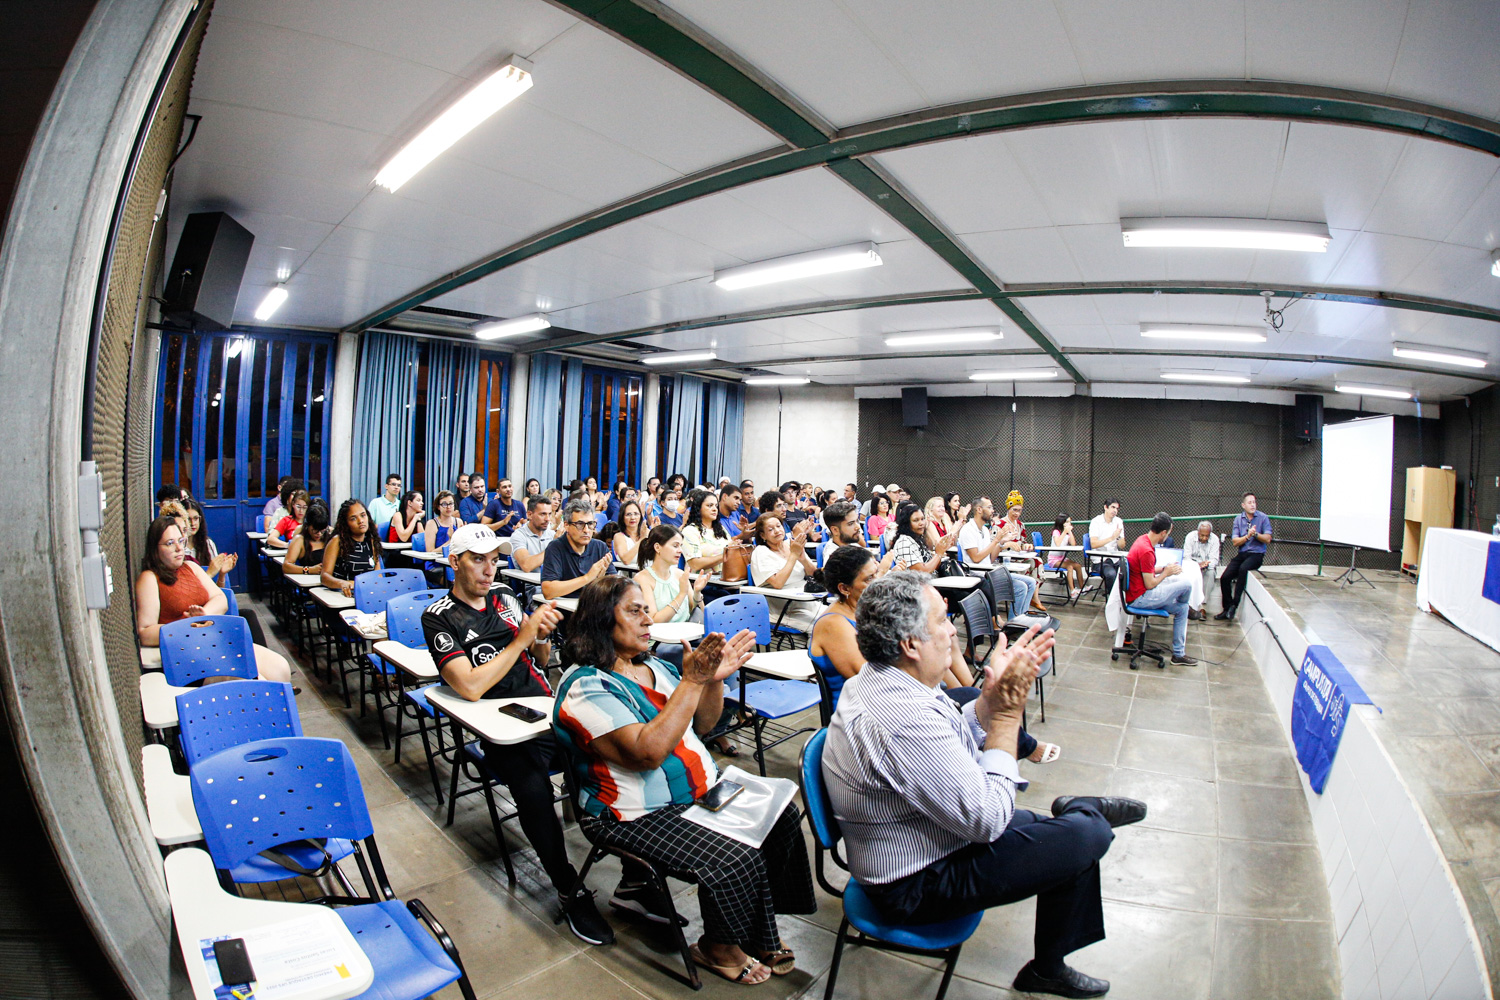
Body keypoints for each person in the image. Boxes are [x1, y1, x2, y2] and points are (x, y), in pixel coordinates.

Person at [823, 572, 1137, 998]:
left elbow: (946, 739)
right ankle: (1082, 813)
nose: (953, 629)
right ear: (910, 644)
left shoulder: (881, 679)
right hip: (916, 883)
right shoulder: (902, 720)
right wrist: (1007, 717)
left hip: (933, 838)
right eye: (942, 620)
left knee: (1068, 838)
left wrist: (988, 703)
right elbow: (987, 820)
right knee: (1089, 835)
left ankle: (1075, 820)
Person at [552, 575, 815, 982]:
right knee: (736, 853)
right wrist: (692, 681)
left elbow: (705, 725)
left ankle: (757, 930)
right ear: (603, 621)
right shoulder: (586, 685)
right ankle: (718, 947)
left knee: (781, 820)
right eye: (634, 611)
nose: (648, 618)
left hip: (698, 789)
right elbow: (645, 753)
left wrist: (712, 681)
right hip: (635, 811)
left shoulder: (655, 665)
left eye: (646, 609)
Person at [418, 524, 611, 942]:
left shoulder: (505, 597)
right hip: (497, 726)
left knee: (611, 749)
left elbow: (538, 656)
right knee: (532, 786)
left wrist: (539, 639)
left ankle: (634, 873)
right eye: (478, 560)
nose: (489, 570)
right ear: (455, 562)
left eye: (494, 560)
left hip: (541, 709)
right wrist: (522, 639)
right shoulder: (438, 617)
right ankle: (567, 886)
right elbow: (468, 686)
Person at [811, 549, 1058, 749]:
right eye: (869, 579)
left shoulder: (865, 609)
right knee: (969, 698)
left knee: (952, 657)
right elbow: (876, 676)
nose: (878, 582)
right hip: (874, 713)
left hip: (901, 695)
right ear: (844, 588)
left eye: (878, 573)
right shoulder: (834, 624)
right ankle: (1015, 742)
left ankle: (993, 723)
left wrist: (936, 630)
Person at [134, 516, 291, 683]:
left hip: (215, 641)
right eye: (170, 543)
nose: (179, 548)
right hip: (188, 655)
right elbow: (145, 632)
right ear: (155, 549)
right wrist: (187, 627)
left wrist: (205, 613)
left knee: (280, 670)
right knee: (256, 681)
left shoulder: (191, 567)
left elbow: (220, 598)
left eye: (181, 540)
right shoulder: (149, 578)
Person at [1125, 513, 1198, 665]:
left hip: (1140, 593)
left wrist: (1164, 568)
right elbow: (1150, 584)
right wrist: (1166, 573)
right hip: (1141, 598)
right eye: (1169, 532)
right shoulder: (1147, 551)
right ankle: (1186, 604)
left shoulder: (1142, 540)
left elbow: (1147, 570)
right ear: (1163, 532)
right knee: (1186, 585)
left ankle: (1178, 654)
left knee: (1182, 609)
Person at [959, 498, 1039, 621]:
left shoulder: (984, 530)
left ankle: (1021, 621)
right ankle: (1014, 624)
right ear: (979, 509)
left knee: (1031, 582)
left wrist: (1001, 543)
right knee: (1020, 588)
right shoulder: (968, 529)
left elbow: (990, 558)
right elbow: (975, 558)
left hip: (989, 571)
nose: (993, 510)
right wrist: (996, 540)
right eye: (989, 507)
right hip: (977, 575)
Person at [749, 513, 820, 632]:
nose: (777, 531)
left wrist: (802, 558)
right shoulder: (761, 552)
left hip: (807, 602)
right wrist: (794, 555)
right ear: (763, 535)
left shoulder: (791, 545)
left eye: (779, 526)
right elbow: (778, 583)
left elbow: (814, 575)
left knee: (840, 619)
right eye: (771, 529)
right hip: (783, 607)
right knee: (820, 626)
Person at [541, 498, 616, 600]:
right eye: (580, 524)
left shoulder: (600, 547)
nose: (586, 530)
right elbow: (548, 591)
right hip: (565, 609)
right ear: (566, 525)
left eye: (590, 524)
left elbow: (615, 586)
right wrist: (587, 578)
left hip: (594, 605)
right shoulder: (555, 547)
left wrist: (599, 582)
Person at [635, 525, 709, 624]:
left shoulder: (680, 575)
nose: (680, 550)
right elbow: (653, 620)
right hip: (661, 638)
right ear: (657, 547)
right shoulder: (642, 579)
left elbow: (698, 613)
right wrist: (682, 594)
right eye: (675, 546)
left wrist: (697, 592)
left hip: (687, 635)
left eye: (680, 546)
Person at [1216, 493, 1272, 621]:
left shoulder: (1263, 518)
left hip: (1256, 554)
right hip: (1242, 554)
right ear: (1243, 505)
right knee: (1225, 577)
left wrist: (1256, 534)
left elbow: (1268, 539)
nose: (1253, 505)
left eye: (1254, 502)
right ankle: (1227, 608)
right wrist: (1247, 536)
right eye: (1249, 502)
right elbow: (1235, 541)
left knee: (1243, 569)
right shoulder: (1238, 519)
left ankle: (1235, 605)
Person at [320, 499, 383, 598]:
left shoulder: (371, 541)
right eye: (353, 518)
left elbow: (377, 575)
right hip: (341, 596)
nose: (360, 521)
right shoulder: (337, 541)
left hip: (366, 594)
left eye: (363, 515)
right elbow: (324, 577)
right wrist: (342, 583)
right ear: (346, 523)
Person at [997, 491, 1046, 612]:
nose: (1017, 513)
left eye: (1019, 510)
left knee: (1037, 561)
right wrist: (1008, 544)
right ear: (1008, 508)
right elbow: (993, 544)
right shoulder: (1000, 524)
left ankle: (1034, 597)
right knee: (1024, 566)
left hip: (1018, 556)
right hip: (1004, 557)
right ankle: (1021, 597)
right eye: (1014, 510)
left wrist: (1026, 546)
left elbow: (1023, 541)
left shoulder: (1020, 525)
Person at [889, 503, 958, 576]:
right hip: (919, 585)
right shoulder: (904, 542)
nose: (921, 523)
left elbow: (934, 565)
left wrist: (942, 548)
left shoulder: (917, 539)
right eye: (916, 520)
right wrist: (938, 554)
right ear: (906, 524)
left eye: (922, 519)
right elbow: (922, 572)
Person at [182, 500, 237, 586]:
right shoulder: (178, 548)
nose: (193, 523)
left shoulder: (208, 544)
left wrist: (222, 574)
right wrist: (209, 573)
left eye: (196, 518)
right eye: (188, 519)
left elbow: (218, 589)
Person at [681, 488, 731, 574]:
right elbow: (695, 564)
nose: (714, 509)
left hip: (726, 578)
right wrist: (724, 556)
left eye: (716, 506)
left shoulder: (720, 528)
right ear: (698, 508)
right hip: (704, 582)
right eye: (709, 505)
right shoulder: (690, 531)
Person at [1087, 499, 1127, 598]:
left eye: (1117, 508)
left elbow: (1122, 546)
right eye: (1113, 507)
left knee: (1129, 571)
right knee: (1111, 574)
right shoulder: (1096, 522)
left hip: (1115, 558)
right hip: (1100, 560)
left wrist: (1118, 537)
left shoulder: (1118, 521)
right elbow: (1094, 544)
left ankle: (1125, 598)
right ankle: (1113, 599)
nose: (1115, 511)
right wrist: (1111, 538)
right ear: (1105, 507)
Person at [1182, 521, 1221, 620]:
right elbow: (1186, 557)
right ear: (1198, 532)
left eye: (1207, 536)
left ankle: (1202, 607)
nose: (1204, 538)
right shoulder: (1190, 537)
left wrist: (1205, 564)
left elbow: (1214, 559)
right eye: (1202, 535)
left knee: (1211, 573)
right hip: (1192, 565)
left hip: (1207, 567)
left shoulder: (1215, 539)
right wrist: (1196, 566)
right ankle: (1189, 605)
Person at [282, 500, 331, 575]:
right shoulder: (300, 540)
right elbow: (286, 567)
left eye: (322, 531)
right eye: (315, 531)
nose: (319, 534)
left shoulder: (330, 537)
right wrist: (310, 570)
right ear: (307, 525)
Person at [509, 495, 556, 574]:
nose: (547, 519)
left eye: (549, 514)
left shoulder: (552, 534)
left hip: (555, 582)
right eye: (543, 514)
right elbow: (526, 565)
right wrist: (554, 545)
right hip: (533, 585)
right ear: (529, 515)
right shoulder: (518, 536)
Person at [1049, 514, 1086, 600]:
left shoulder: (1067, 534)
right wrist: (1064, 532)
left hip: (1062, 558)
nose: (1069, 523)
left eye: (1070, 522)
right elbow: (1057, 543)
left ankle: (1082, 588)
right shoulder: (1056, 531)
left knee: (1078, 566)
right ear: (1062, 522)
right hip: (1053, 560)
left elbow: (1073, 544)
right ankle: (1072, 590)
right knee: (1069, 567)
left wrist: (1069, 532)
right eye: (1067, 522)